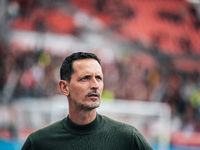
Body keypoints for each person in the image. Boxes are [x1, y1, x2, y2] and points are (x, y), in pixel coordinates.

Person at [21, 52, 153, 150]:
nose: (95, 84)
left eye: (99, 78)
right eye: (85, 78)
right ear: (64, 87)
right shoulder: (39, 143)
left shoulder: (127, 137)